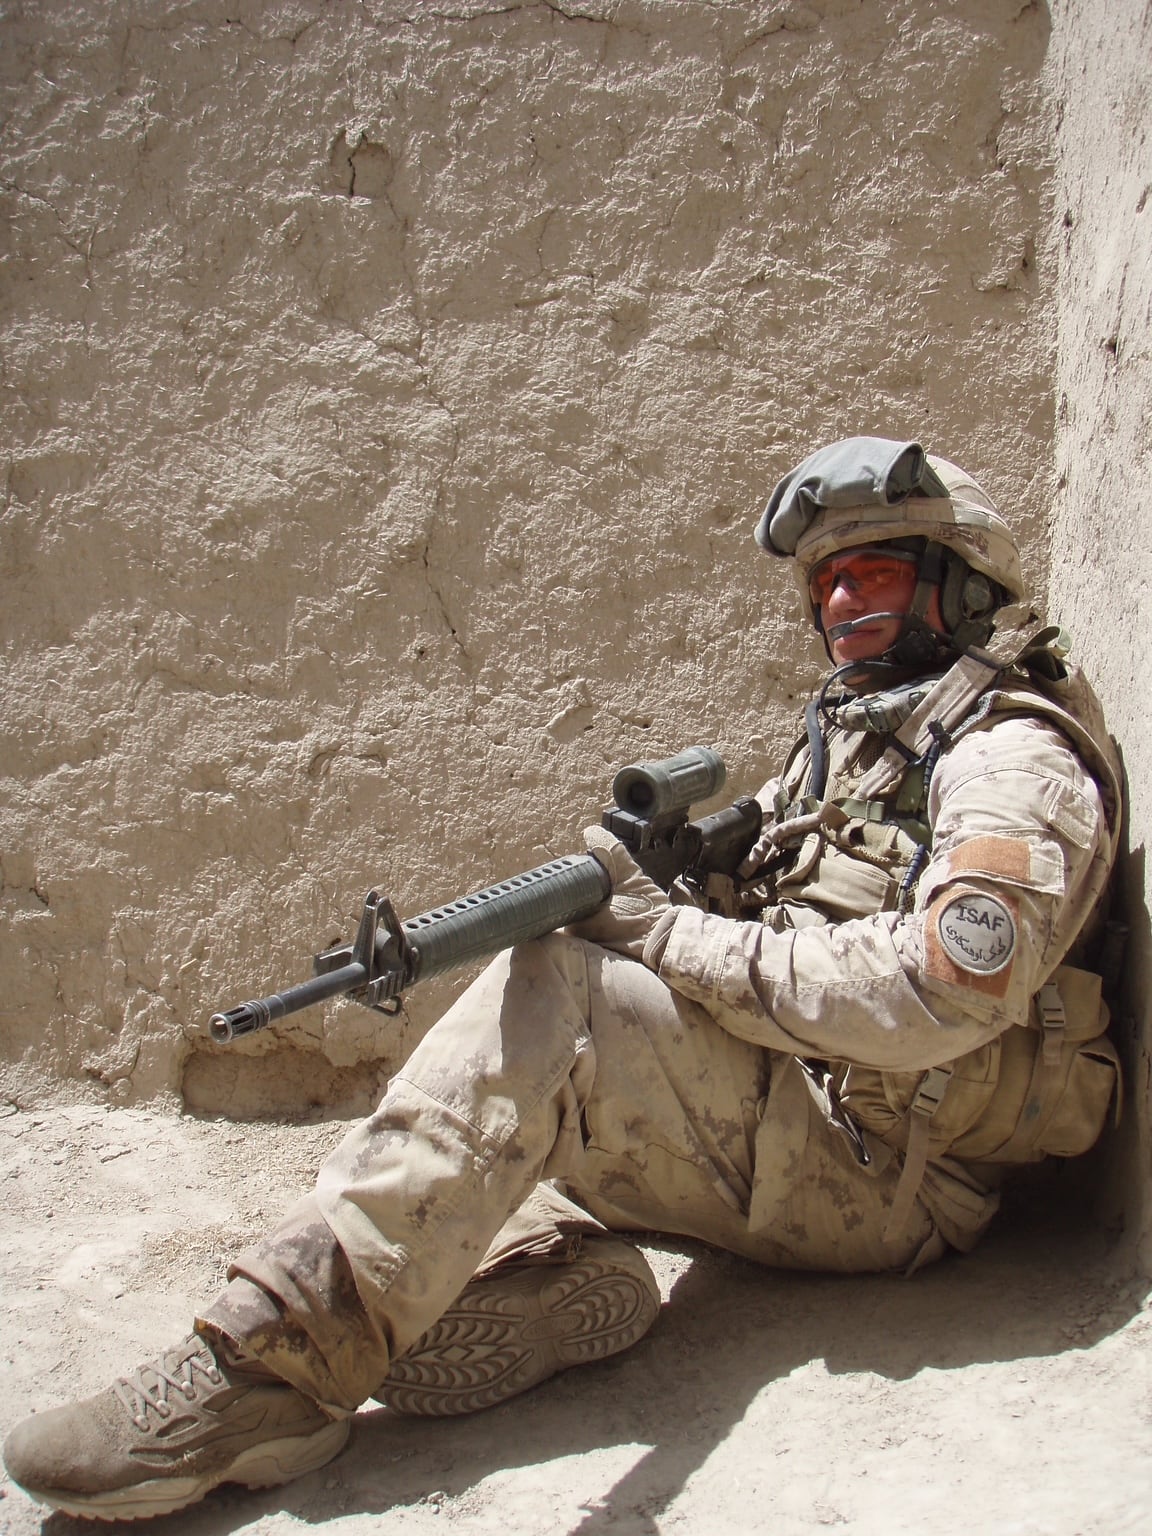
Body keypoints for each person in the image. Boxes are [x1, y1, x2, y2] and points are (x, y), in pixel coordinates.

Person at [3, 437, 1123, 1522]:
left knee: (561, 991)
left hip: (894, 1176)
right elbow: (797, 911)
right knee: (511, 1078)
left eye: (872, 572)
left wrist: (664, 935)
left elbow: (935, 994)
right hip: (823, 1113)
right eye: (826, 582)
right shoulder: (869, 740)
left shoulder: (1011, 758)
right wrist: (688, 892)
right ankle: (532, 1270)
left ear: (961, 587)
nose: (838, 606)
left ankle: (268, 1375)